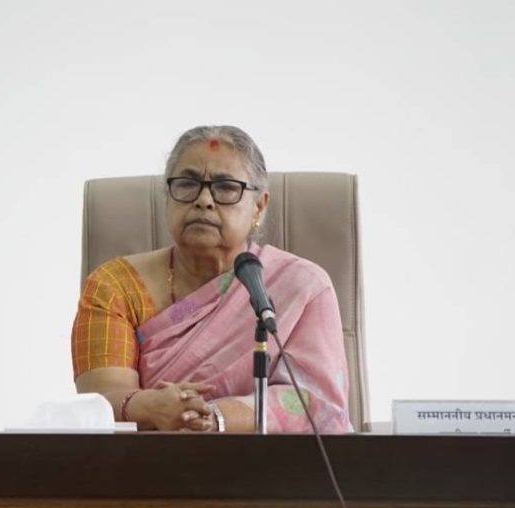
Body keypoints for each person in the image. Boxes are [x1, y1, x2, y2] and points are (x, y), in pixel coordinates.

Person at [71, 125, 351, 433]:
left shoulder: (302, 286)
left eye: (226, 187)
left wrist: (214, 417)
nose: (203, 200)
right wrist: (154, 406)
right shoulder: (117, 286)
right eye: (187, 184)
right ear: (167, 198)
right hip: (145, 458)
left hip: (269, 461)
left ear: (259, 206)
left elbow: (314, 403)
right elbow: (99, 402)